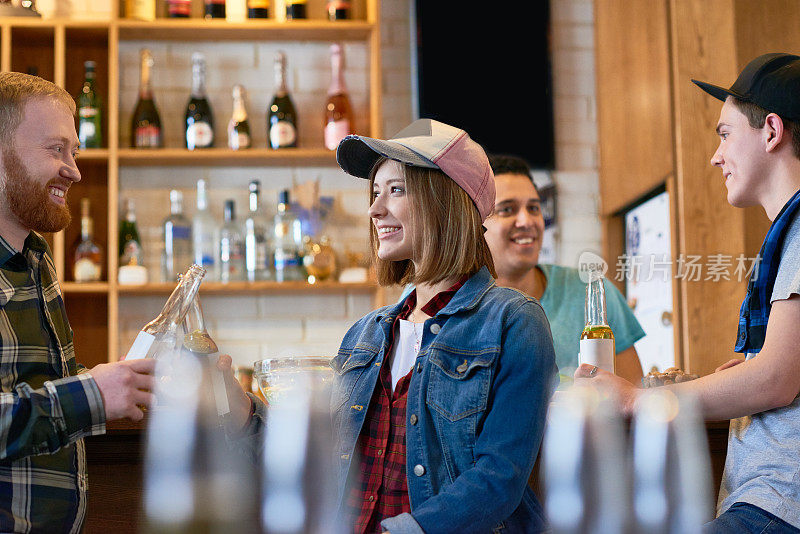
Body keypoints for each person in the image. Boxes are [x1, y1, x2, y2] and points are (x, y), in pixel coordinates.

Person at [226, 119, 558, 533]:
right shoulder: (365, 334)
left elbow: (499, 480)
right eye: (375, 193)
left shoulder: (514, 321)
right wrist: (242, 413)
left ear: (446, 200)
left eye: (396, 190)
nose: (374, 209)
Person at [575, 52, 800, 533]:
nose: (715, 155)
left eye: (724, 134)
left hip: (780, 506)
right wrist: (757, 362)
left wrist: (636, 399)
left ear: (772, 131)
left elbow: (776, 380)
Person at [0, 72, 156, 532]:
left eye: (75, 151)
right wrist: (91, 394)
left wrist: (117, 383)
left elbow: (30, 391)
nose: (74, 169)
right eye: (55, 149)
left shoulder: (35, 258)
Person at [481, 153, 645, 384]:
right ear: (477, 224)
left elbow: (633, 394)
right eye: (507, 209)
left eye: (534, 208)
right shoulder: (451, 303)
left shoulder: (592, 291)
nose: (527, 221)